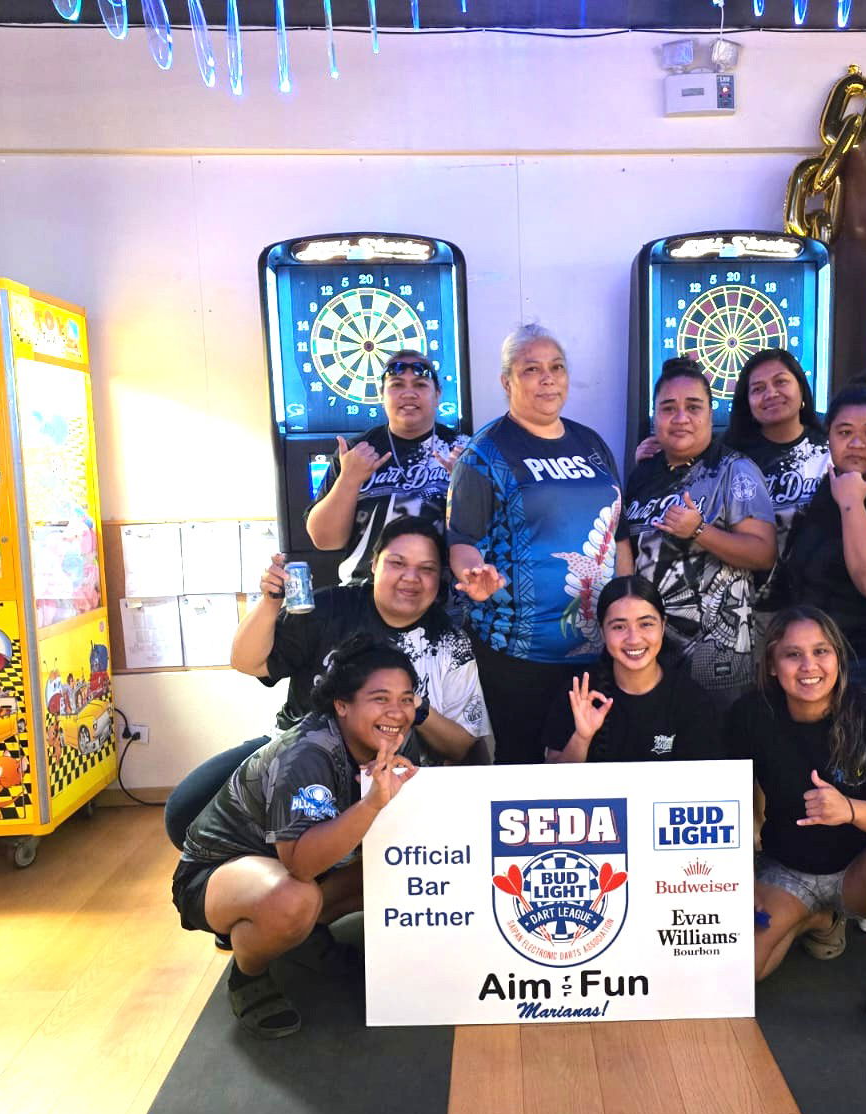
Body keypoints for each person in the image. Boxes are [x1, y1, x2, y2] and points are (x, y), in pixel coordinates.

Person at [164, 518, 488, 853]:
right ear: (374, 565)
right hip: (297, 755)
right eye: (397, 563)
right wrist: (271, 601)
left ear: (439, 577)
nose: (411, 577)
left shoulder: (451, 642)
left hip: (395, 773)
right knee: (187, 811)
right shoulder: (329, 608)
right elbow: (248, 662)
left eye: (427, 569)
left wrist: (413, 707)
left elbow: (460, 746)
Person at [171, 637, 420, 1038]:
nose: (397, 712)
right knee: (294, 900)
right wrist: (373, 802)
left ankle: (302, 937)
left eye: (406, 699)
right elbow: (302, 864)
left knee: (402, 865)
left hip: (300, 867)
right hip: (218, 874)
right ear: (342, 704)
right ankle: (249, 974)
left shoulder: (394, 738)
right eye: (380, 699)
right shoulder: (306, 753)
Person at [726, 607, 866, 1054]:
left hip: (860, 874)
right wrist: (739, 877)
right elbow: (730, 800)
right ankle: (817, 918)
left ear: (838, 657)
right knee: (738, 974)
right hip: (787, 871)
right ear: (772, 664)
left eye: (821, 652)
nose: (809, 666)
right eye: (793, 654)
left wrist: (849, 809)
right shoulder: (752, 713)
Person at [446, 324, 634, 764]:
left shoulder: (591, 443)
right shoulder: (486, 453)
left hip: (598, 649)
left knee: (595, 764)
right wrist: (473, 574)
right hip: (519, 656)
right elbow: (461, 540)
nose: (548, 379)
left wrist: (627, 609)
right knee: (525, 768)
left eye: (557, 367)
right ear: (506, 381)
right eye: (531, 369)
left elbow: (619, 535)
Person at [766, 374, 866, 711]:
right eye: (844, 432)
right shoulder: (836, 482)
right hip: (816, 659)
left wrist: (852, 503)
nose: (856, 443)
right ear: (828, 436)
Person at [622, 358, 775, 704]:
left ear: (709, 413)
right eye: (668, 408)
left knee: (717, 737)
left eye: (693, 407)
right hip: (648, 650)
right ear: (655, 416)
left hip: (717, 654)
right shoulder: (643, 473)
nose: (681, 418)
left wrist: (700, 531)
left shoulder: (735, 469)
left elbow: (763, 553)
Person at [304, 349, 468, 586]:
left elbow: (491, 536)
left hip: (443, 594)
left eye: (420, 385)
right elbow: (325, 540)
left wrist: (466, 488)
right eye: (397, 385)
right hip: (364, 591)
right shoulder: (355, 452)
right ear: (382, 395)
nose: (409, 394)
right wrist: (349, 480)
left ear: (437, 395)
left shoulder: (464, 451)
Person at [543, 576, 720, 763]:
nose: (634, 639)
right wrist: (581, 738)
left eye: (646, 624)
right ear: (602, 632)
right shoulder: (580, 694)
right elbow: (552, 777)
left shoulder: (691, 699)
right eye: (619, 627)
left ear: (662, 626)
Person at [724, 348, 831, 565]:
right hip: (753, 580)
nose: (771, 394)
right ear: (747, 402)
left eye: (781, 382)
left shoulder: (832, 449)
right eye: (758, 389)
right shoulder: (731, 460)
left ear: (801, 388)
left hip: (823, 580)